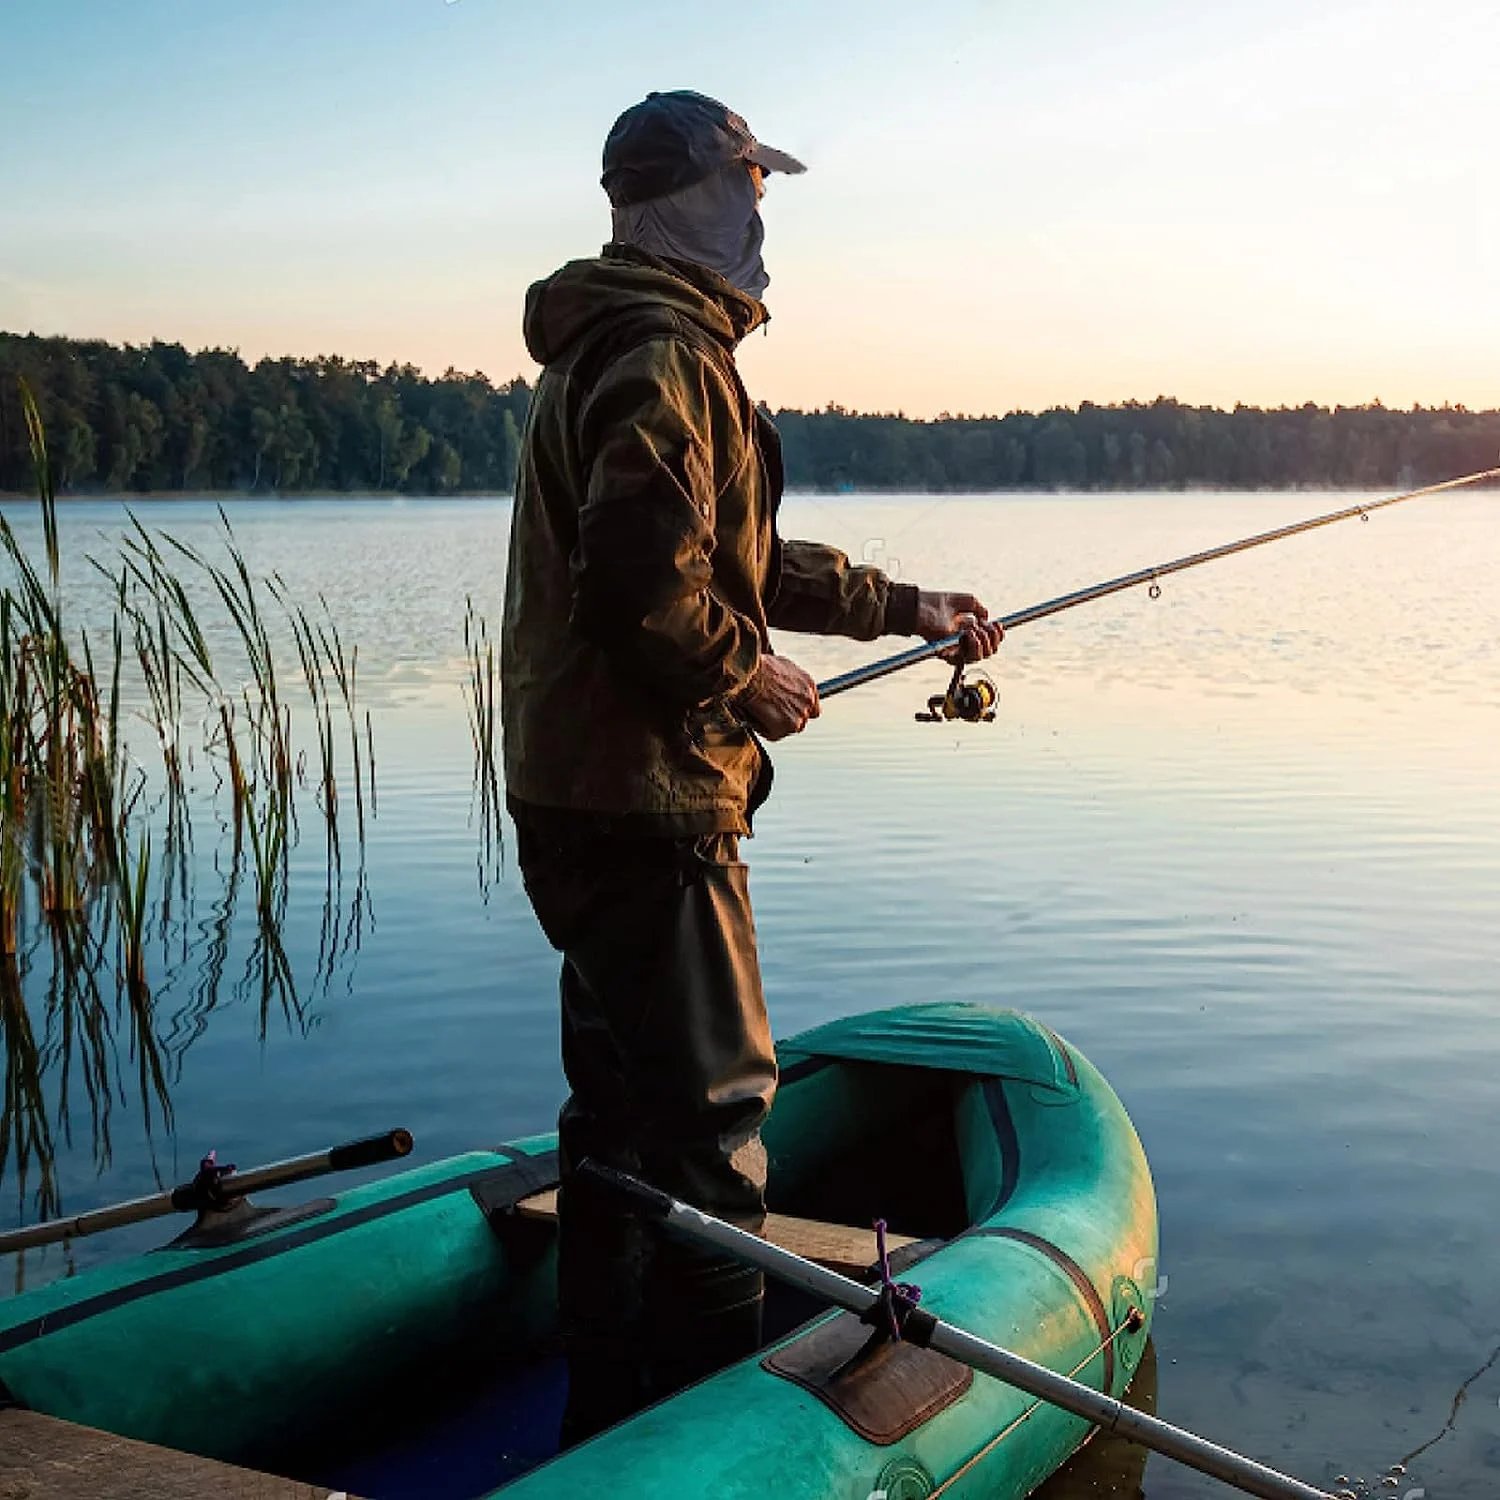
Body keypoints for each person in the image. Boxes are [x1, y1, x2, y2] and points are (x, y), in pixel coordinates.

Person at [499, 89, 1003, 1444]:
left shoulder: (618, 342)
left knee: (616, 1125)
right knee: (719, 1130)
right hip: (651, 794)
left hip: (578, 789)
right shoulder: (665, 351)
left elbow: (733, 561)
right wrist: (745, 673)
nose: (762, 212)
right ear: (672, 194)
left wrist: (906, 606)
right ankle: (710, 1447)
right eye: (744, 184)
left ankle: (606, 1426)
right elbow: (641, 585)